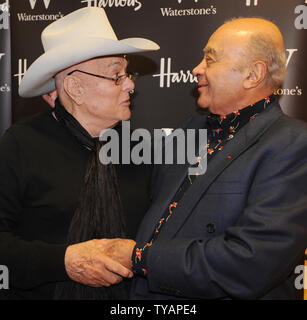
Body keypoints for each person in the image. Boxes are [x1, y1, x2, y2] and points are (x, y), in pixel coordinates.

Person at [101, 17, 307, 299]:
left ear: (253, 74)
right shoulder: (192, 129)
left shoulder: (293, 145)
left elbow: (250, 262)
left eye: (210, 59)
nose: (197, 69)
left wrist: (139, 258)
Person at [0, 7, 159, 300]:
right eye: (116, 76)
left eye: (128, 74)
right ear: (74, 87)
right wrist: (63, 262)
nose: (131, 85)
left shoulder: (142, 150)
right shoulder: (20, 145)